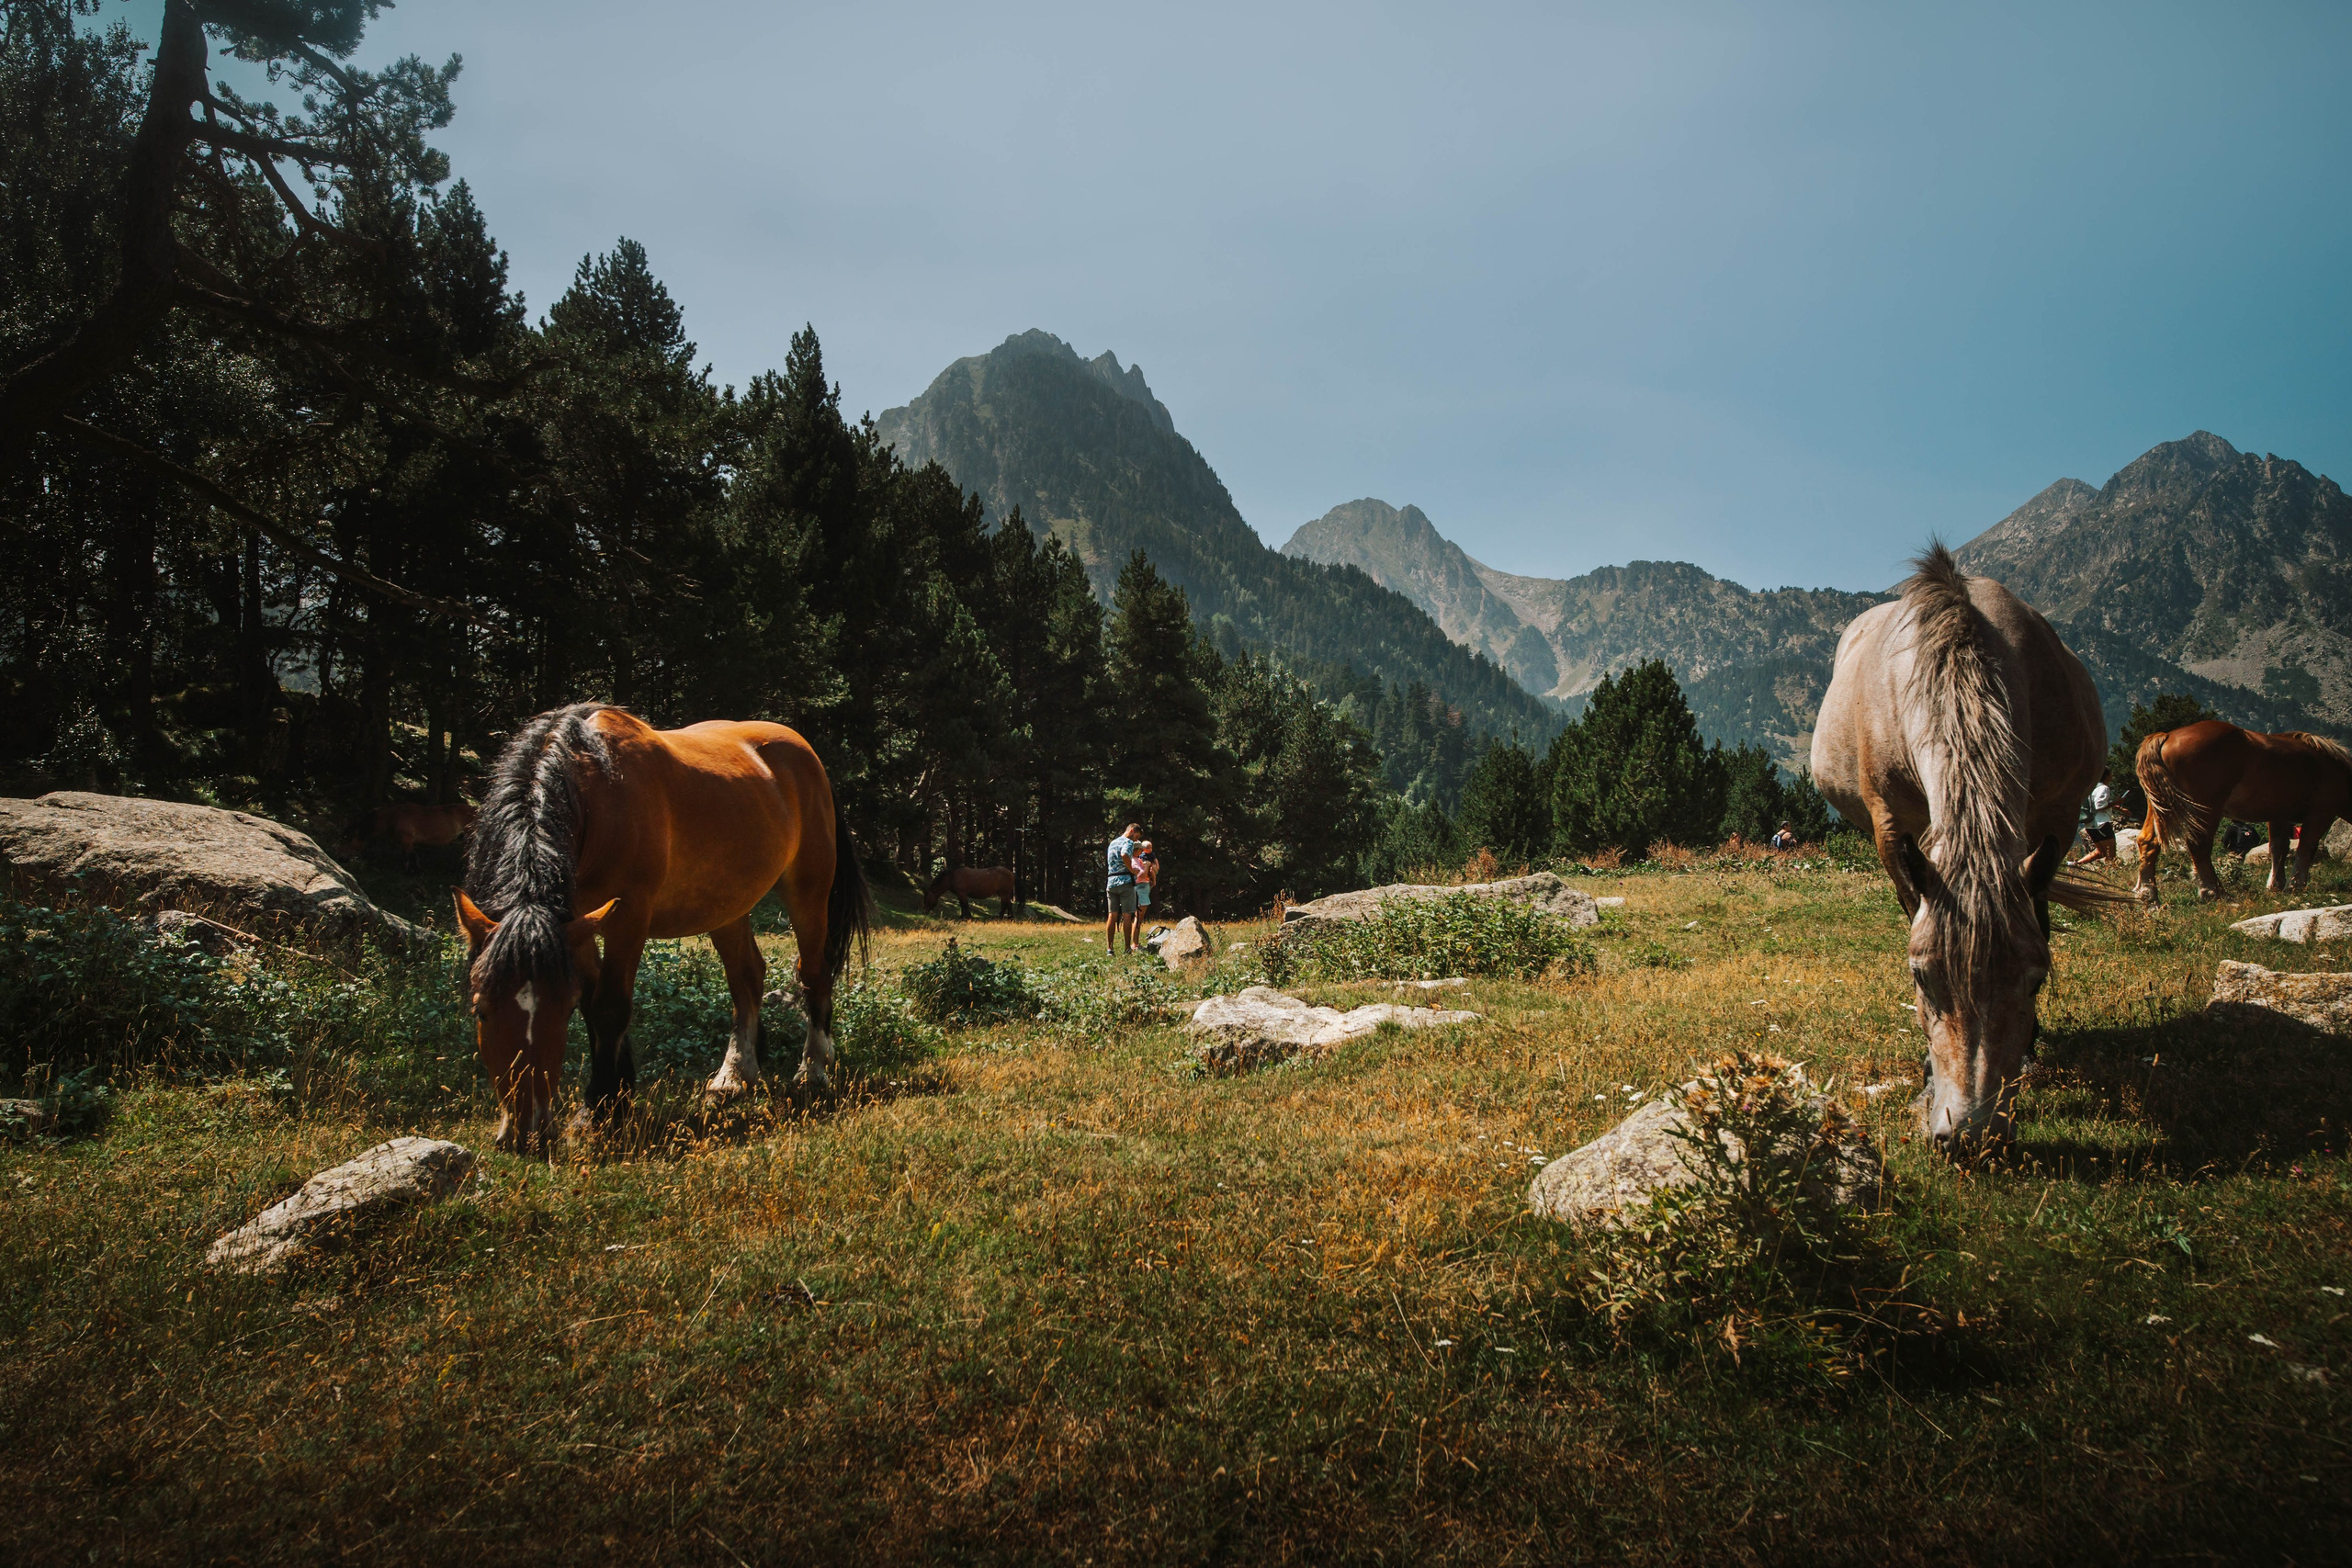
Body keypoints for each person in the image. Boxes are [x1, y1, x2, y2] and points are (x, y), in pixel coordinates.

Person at [1104, 822, 1142, 953]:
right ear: (1132, 830)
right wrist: (1132, 869)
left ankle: (1110, 949)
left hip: (1111, 882)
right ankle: (1127, 949)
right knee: (1127, 916)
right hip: (1125, 882)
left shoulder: (1113, 843)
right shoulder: (1128, 842)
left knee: (1112, 916)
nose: (1136, 840)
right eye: (1137, 836)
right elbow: (1124, 854)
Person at [2071, 767, 2119, 866]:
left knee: (2101, 852)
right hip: (2101, 824)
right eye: (2111, 775)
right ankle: (2110, 876)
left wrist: (2115, 806)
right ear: (2106, 776)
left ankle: (2075, 865)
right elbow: (2099, 805)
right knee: (2111, 854)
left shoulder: (2091, 787)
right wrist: (2116, 802)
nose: (2112, 777)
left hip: (2090, 824)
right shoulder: (2104, 788)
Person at [1133, 840, 1160, 915]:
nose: (1150, 849)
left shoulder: (1152, 854)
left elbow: (1155, 860)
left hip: (1149, 870)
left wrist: (1156, 866)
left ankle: (1154, 882)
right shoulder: (1140, 856)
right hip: (1144, 873)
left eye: (1151, 847)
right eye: (1148, 848)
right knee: (1141, 904)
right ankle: (1136, 924)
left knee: (1152, 870)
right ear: (1143, 849)